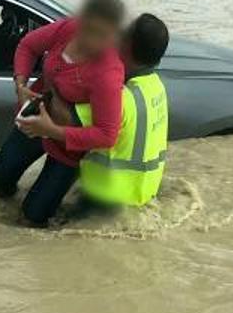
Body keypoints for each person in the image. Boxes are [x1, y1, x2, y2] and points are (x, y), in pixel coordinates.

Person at [0, 0, 126, 226]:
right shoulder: (66, 30)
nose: (92, 40)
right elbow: (27, 45)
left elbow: (107, 135)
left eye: (103, 35)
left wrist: (52, 131)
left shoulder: (108, 73)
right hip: (38, 117)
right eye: (89, 29)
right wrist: (20, 84)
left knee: (33, 216)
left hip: (69, 143)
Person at [32, 13, 171, 212]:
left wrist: (53, 77)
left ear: (128, 45)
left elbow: (63, 116)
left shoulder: (120, 99)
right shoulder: (157, 87)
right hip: (143, 193)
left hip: (106, 198)